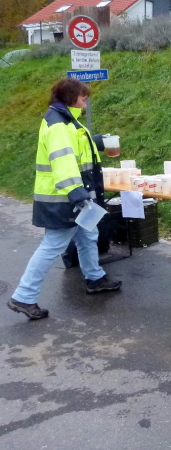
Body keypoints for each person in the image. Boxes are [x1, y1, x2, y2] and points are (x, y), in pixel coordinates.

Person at [8, 78, 122, 320]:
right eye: (83, 98)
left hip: (71, 195)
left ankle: (95, 278)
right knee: (52, 245)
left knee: (88, 235)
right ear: (71, 97)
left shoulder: (65, 120)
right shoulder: (59, 124)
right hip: (64, 198)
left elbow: (75, 149)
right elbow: (63, 161)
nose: (85, 103)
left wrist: (95, 141)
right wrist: (77, 194)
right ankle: (23, 296)